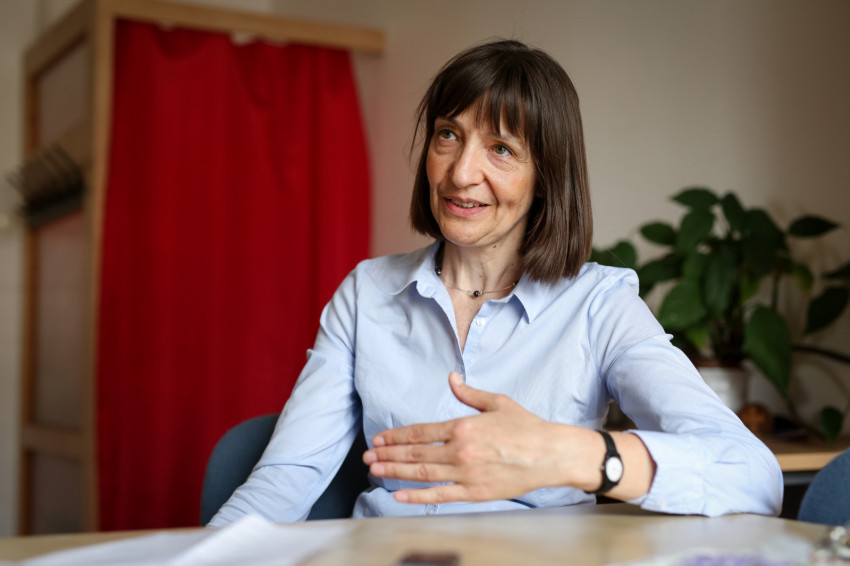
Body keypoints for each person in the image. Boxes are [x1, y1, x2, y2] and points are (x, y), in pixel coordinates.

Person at [208, 39, 782, 525]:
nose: (461, 173)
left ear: (546, 178)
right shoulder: (366, 293)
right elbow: (283, 481)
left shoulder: (599, 304)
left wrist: (567, 454)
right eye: (448, 135)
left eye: (501, 149)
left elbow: (753, 476)